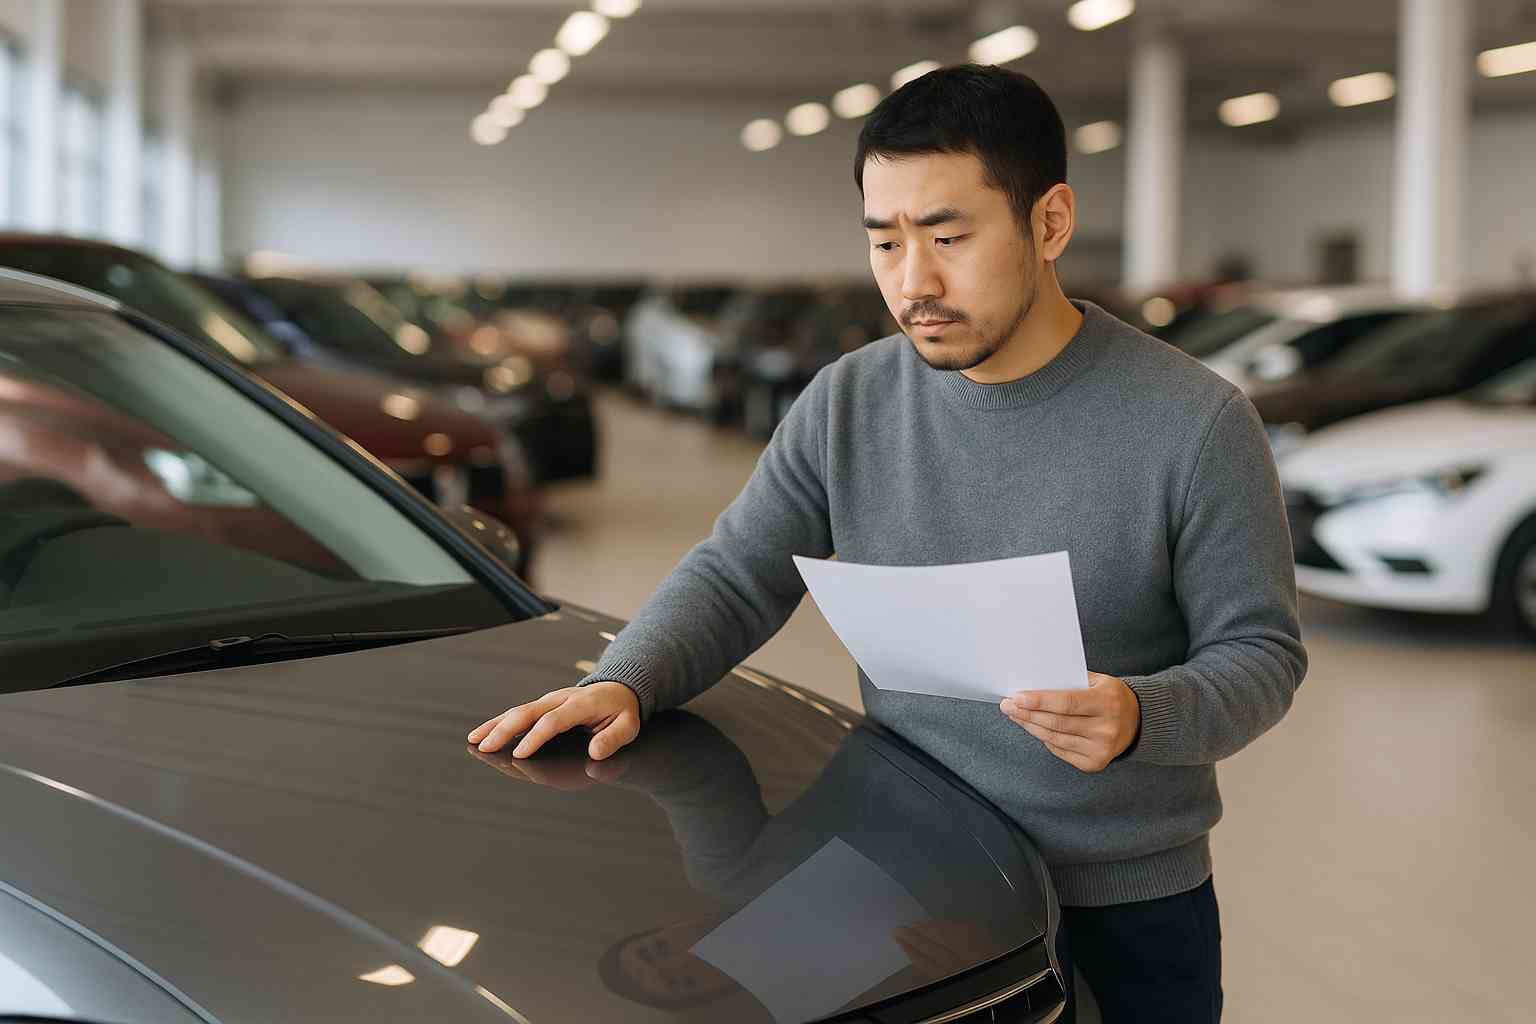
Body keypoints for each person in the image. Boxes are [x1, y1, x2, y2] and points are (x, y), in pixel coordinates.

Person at [469, 64, 1307, 1023]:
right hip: (893, 859)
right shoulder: (849, 399)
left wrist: (1140, 714)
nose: (914, 283)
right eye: (885, 241)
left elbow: (1262, 656)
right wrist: (627, 676)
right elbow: (738, 570)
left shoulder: (1195, 423)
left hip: (1122, 897)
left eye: (949, 237)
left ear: (1050, 222)